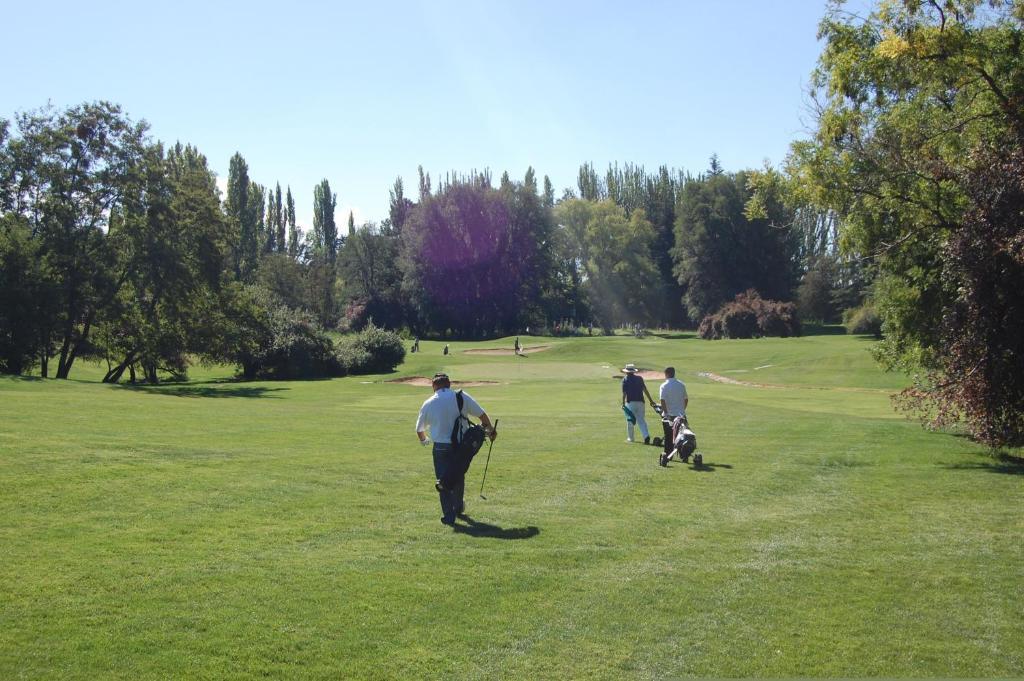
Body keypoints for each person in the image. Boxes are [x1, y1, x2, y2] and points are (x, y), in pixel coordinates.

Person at [415, 373, 497, 526]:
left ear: (433, 386)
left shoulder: (428, 402)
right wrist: (491, 431)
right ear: (449, 384)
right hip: (461, 446)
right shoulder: (461, 396)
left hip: (440, 447)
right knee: (458, 475)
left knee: (442, 480)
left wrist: (425, 440)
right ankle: (458, 507)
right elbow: (482, 416)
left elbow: (419, 430)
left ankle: (449, 515)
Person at [657, 366, 688, 465]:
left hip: (669, 415)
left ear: (666, 374)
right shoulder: (681, 385)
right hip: (681, 415)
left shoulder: (664, 385)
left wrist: (666, 413)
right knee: (682, 436)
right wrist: (682, 410)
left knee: (668, 437)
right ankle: (684, 455)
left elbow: (662, 400)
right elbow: (686, 399)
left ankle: (668, 455)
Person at [621, 363, 655, 444]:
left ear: (626, 372)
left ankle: (631, 438)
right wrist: (651, 400)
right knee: (641, 420)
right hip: (641, 402)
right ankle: (646, 436)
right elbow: (645, 390)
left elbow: (624, 393)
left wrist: (623, 403)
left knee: (630, 421)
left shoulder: (625, 379)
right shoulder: (640, 378)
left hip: (630, 403)